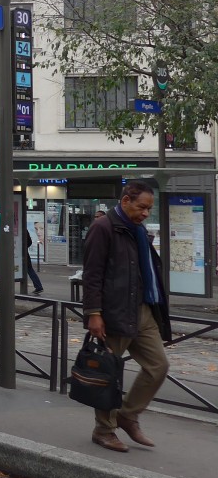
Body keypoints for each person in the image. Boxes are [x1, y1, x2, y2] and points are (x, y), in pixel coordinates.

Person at [81, 180, 171, 452]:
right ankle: (104, 430)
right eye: (142, 207)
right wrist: (94, 313)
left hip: (143, 309)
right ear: (125, 201)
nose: (145, 213)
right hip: (114, 311)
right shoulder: (103, 227)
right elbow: (92, 274)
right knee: (108, 373)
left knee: (158, 366)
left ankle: (128, 415)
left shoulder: (137, 230)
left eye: (149, 209)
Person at [22, 227, 44, 294]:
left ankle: (1, 284)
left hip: (19, 253)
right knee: (29, 269)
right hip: (24, 253)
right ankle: (38, 286)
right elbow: (29, 242)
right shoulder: (23, 228)